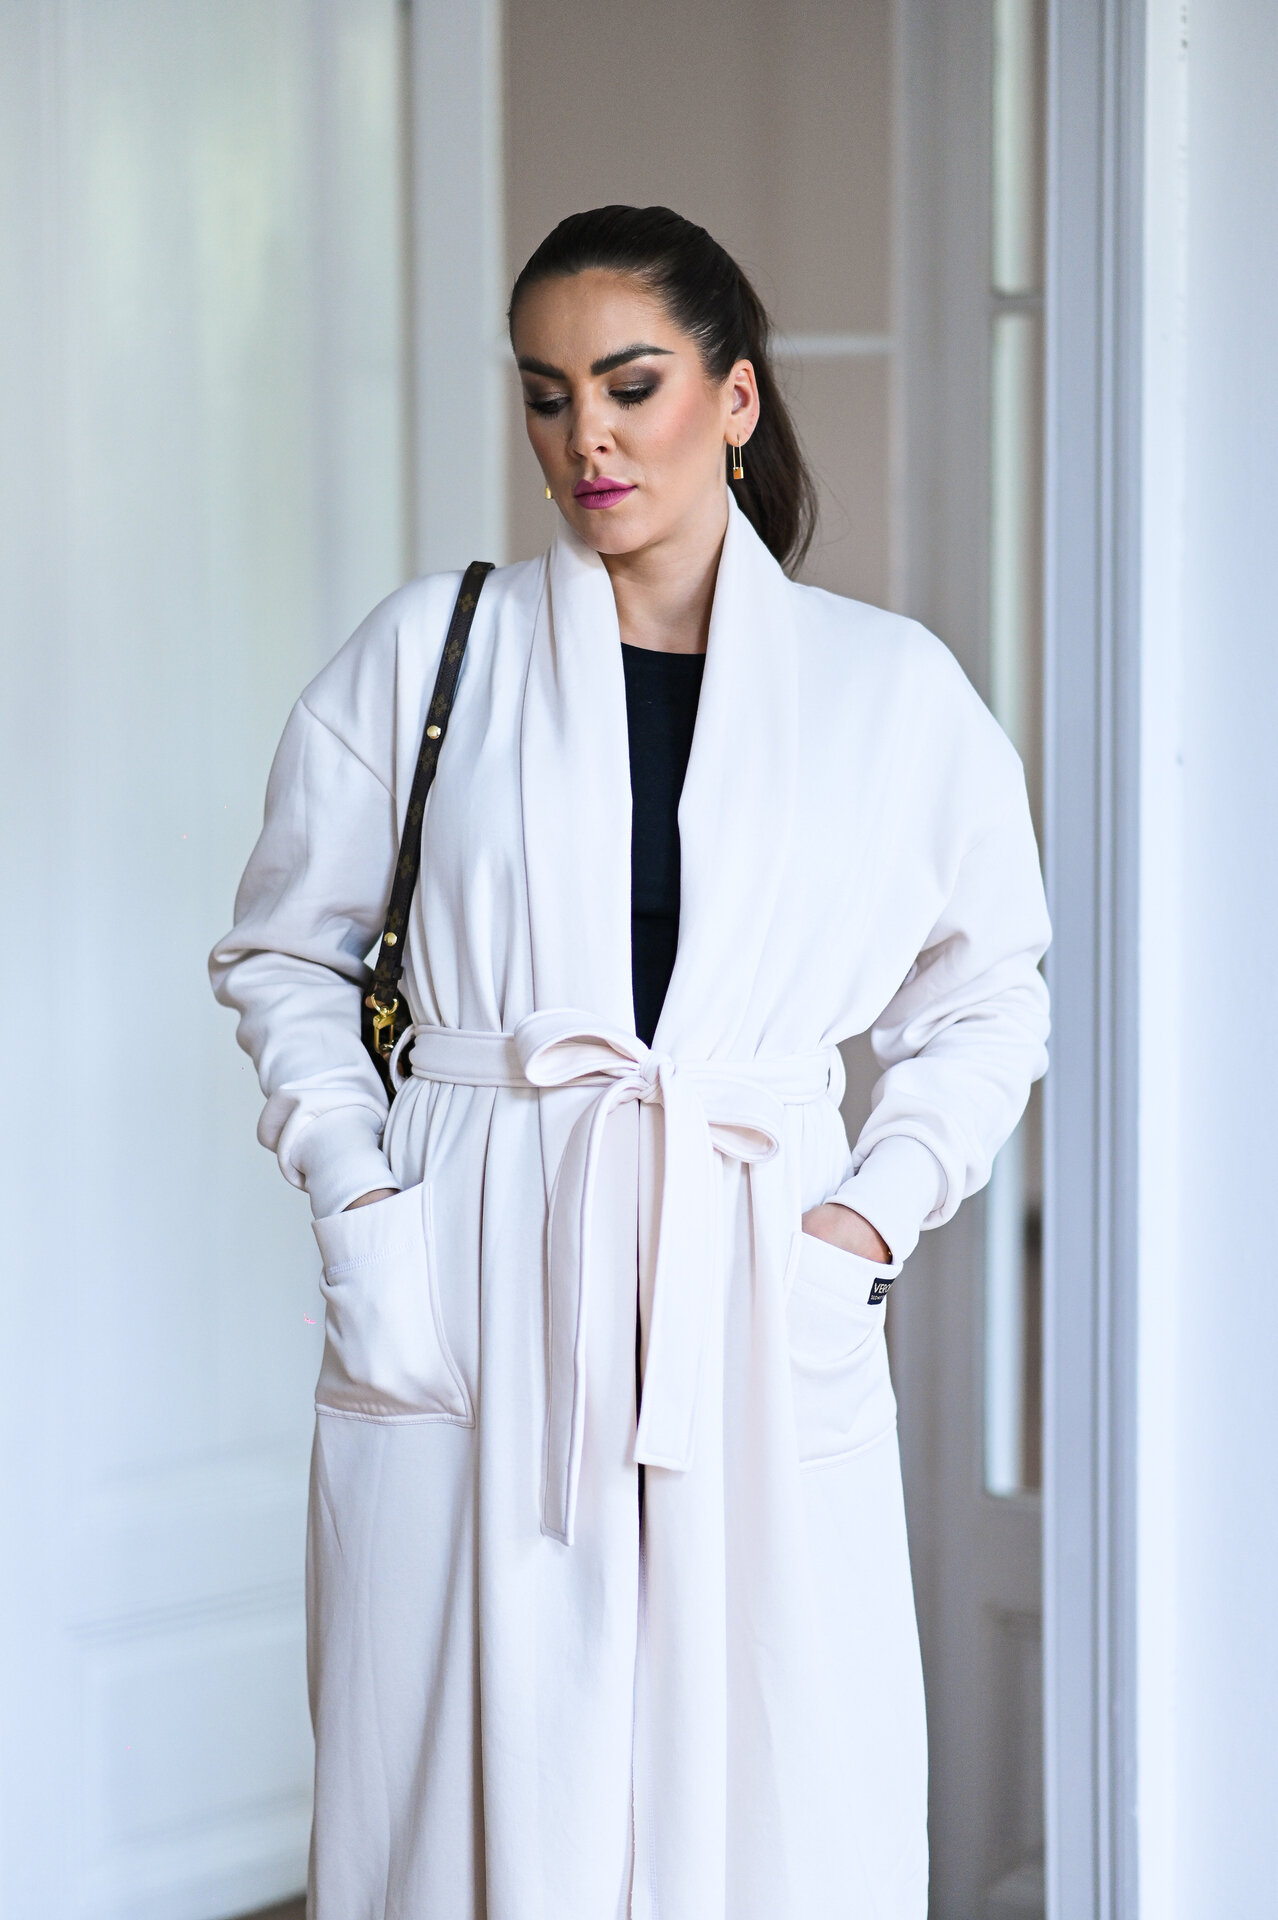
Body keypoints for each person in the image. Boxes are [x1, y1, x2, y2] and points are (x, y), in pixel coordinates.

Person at [211, 204, 1050, 1920]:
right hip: (475, 1255)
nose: (583, 435)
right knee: (455, 1781)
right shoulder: (428, 654)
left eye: (628, 383)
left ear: (735, 399)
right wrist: (359, 1202)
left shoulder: (887, 694)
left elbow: (989, 997)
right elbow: (286, 951)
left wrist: (861, 1225)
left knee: (778, 1778)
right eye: (545, 394)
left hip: (752, 1259)